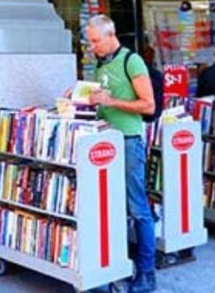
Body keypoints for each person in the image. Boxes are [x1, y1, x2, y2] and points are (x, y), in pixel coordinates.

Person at [85, 15, 157, 293]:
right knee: (110, 207)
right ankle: (113, 265)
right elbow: (101, 101)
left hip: (127, 141)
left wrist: (110, 101)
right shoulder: (101, 64)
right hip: (103, 141)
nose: (92, 47)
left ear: (110, 34)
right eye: (90, 41)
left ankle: (147, 274)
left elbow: (149, 105)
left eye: (95, 41)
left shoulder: (132, 61)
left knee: (138, 209)